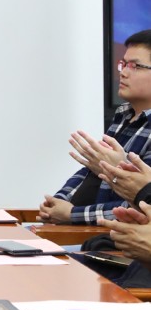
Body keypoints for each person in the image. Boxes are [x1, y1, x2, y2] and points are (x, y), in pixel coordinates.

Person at [39, 29, 151, 225]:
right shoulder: (123, 116)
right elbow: (90, 171)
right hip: (84, 230)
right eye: (123, 64)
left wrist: (72, 214)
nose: (123, 73)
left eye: (135, 66)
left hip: (111, 236)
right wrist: (57, 202)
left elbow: (142, 207)